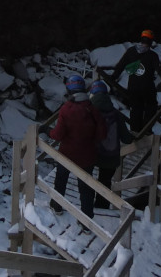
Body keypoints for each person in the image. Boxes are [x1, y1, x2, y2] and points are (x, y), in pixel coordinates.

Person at [47, 74, 107, 219]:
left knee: (61, 180)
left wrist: (47, 131)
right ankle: (86, 219)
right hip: (87, 155)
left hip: (67, 154)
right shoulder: (92, 109)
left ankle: (57, 206)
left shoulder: (66, 109)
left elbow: (58, 135)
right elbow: (102, 135)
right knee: (86, 187)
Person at [108, 29, 161, 135]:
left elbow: (120, 66)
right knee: (151, 107)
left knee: (135, 108)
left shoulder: (131, 51)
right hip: (148, 88)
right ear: (151, 41)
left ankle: (135, 132)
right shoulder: (152, 56)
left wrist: (112, 79)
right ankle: (146, 130)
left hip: (133, 87)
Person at [88, 80, 132, 210]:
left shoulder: (88, 112)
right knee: (105, 181)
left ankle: (86, 204)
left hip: (92, 154)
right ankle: (101, 207)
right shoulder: (116, 114)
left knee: (86, 177)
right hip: (111, 157)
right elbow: (127, 140)